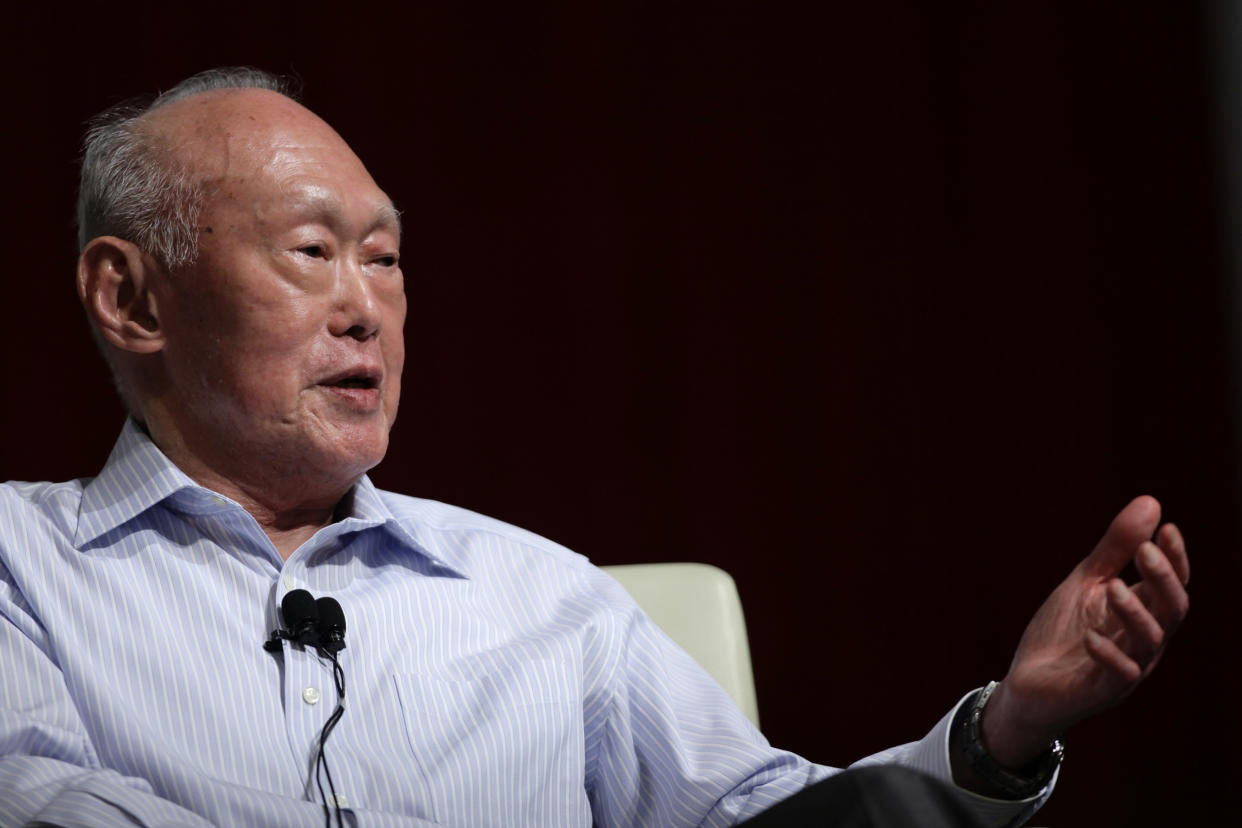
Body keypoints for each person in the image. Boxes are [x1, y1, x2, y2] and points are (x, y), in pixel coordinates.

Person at [0, 68, 1190, 827]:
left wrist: (1000, 736)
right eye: (312, 252)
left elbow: (770, 823)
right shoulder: (20, 564)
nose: (367, 307)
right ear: (133, 301)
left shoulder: (538, 593)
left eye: (387, 257)